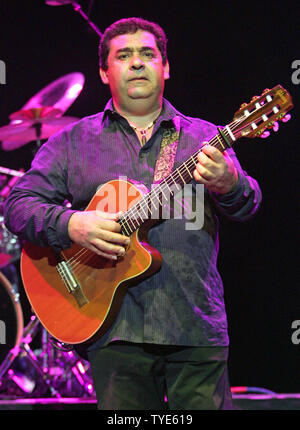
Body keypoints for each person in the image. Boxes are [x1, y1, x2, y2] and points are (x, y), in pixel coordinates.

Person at [4, 17, 261, 410]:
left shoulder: (205, 137)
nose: (137, 62)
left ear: (166, 67)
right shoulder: (71, 142)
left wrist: (230, 183)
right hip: (113, 332)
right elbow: (17, 206)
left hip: (195, 325)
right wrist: (73, 224)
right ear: (105, 73)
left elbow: (248, 204)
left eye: (148, 54)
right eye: (124, 55)